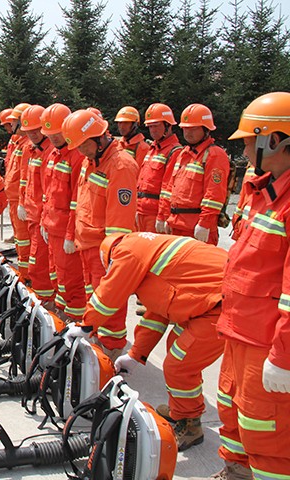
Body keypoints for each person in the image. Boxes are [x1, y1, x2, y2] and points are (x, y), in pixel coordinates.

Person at [68, 232, 226, 451]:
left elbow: (108, 296)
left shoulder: (127, 252)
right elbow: (156, 315)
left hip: (222, 304)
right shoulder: (147, 254)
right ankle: (182, 410)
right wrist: (135, 356)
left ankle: (190, 423)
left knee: (179, 364)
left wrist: (86, 325)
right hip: (208, 301)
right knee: (178, 350)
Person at [202, 91, 290, 480]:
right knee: (231, 408)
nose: (244, 150)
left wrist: (283, 357)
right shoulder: (263, 191)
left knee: (266, 433)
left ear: (275, 140)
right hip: (239, 330)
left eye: (250, 141)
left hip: (267, 342)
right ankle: (236, 471)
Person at [62, 108, 138, 357]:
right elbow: (80, 202)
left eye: (84, 145)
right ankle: (97, 343)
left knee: (109, 303)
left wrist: (112, 257)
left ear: (99, 137)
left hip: (103, 250)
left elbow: (120, 222)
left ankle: (112, 349)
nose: (81, 151)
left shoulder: (121, 166)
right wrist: (72, 234)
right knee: (94, 299)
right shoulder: (90, 160)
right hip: (87, 245)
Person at [156, 104, 230, 245]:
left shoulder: (215, 155)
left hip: (196, 228)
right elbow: (169, 188)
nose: (188, 133)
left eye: (193, 128)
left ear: (206, 129)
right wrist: (165, 215)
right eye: (185, 128)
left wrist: (205, 223)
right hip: (176, 225)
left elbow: (214, 194)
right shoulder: (183, 154)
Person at [40, 103, 86, 320]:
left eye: (57, 133)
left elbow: (78, 200)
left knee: (71, 279)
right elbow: (47, 193)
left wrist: (70, 234)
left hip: (65, 230)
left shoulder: (77, 157)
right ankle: (61, 313)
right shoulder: (52, 154)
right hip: (52, 227)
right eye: (49, 134)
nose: (53, 137)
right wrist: (44, 220)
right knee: (56, 275)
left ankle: (75, 320)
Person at [18, 105, 56, 303]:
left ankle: (46, 302)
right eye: (28, 131)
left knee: (39, 264)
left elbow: (51, 190)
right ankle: (43, 299)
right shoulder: (32, 150)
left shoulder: (50, 152)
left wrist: (45, 218)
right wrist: (22, 203)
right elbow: (25, 180)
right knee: (36, 261)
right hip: (32, 214)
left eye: (35, 130)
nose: (32, 134)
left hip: (42, 217)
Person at [135, 103, 182, 232]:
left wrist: (162, 216)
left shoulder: (175, 151)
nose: (152, 130)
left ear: (168, 125)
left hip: (155, 214)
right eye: (150, 127)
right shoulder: (152, 149)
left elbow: (168, 188)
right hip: (141, 211)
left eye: (156, 126)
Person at [3, 103, 32, 281]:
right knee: (20, 240)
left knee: (24, 240)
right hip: (14, 200)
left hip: (19, 201)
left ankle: (27, 276)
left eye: (14, 121)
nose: (11, 124)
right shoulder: (20, 143)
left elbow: (25, 178)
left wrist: (22, 202)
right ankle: (24, 274)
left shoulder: (27, 145)